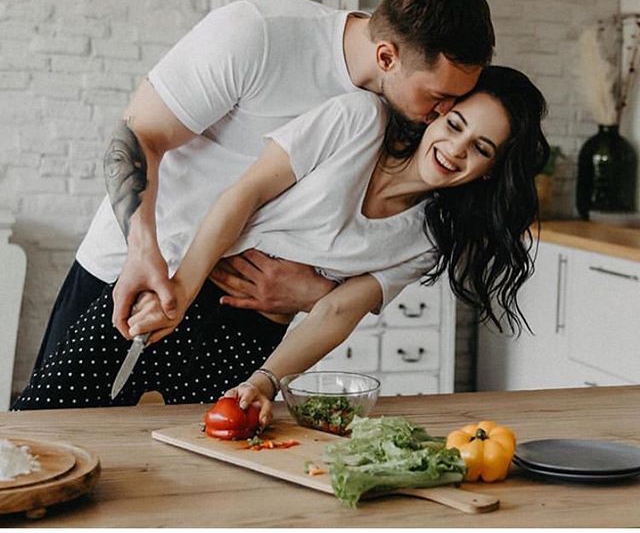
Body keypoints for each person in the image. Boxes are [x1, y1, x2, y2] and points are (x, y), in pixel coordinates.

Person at [30, 0, 495, 377]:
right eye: (438, 96)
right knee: (57, 438)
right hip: (133, 272)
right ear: (387, 57)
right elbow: (136, 136)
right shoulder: (260, 34)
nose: (446, 111)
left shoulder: (402, 115)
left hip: (239, 313)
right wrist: (141, 250)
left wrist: (314, 293)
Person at [13, 66, 550, 416]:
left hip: (246, 344)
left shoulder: (429, 237)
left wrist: (266, 382)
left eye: (480, 148)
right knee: (45, 426)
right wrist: (176, 291)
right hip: (181, 294)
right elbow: (243, 194)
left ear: (489, 171)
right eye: (455, 124)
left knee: (194, 471)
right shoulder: (358, 120)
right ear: (436, 114)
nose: (455, 149)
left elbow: (340, 310)